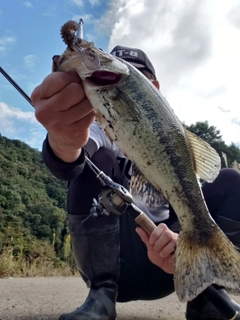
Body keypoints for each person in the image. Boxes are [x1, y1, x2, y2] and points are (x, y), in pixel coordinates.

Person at [31, 45, 240, 320]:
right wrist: (63, 140)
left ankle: (206, 292)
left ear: (153, 86)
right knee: (94, 163)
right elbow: (71, 161)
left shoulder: (171, 137)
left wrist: (177, 241)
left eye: (137, 76)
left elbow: (190, 193)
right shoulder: (96, 126)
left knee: (230, 181)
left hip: (173, 266)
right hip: (117, 266)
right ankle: (101, 293)